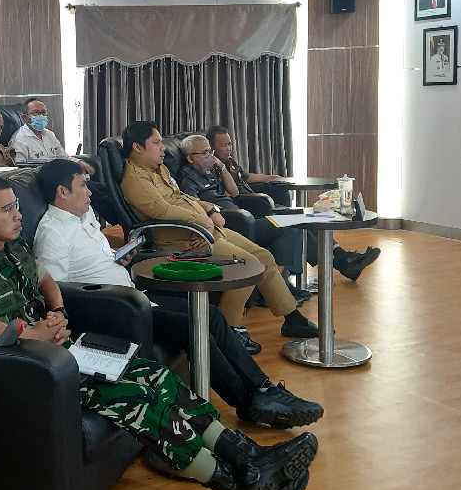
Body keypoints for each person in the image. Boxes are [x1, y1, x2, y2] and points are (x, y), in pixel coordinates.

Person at [0, 174, 317, 490]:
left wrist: (57, 311)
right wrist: (31, 333)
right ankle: (236, 488)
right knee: (138, 397)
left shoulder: (12, 246)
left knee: (158, 377)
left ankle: (246, 457)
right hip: (30, 367)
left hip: (63, 350)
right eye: (7, 209)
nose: (18, 214)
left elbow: (46, 279)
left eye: (16, 205)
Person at [33, 159, 324, 428]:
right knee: (193, 325)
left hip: (133, 296)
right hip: (117, 312)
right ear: (62, 192)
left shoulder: (82, 217)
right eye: (82, 185)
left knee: (211, 315)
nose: (89, 192)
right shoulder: (52, 234)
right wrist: (119, 296)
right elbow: (60, 291)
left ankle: (262, 387)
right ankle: (247, 401)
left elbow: (91, 262)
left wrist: (117, 258)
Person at [120, 121, 319, 352]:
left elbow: (183, 197)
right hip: (184, 242)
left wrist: (210, 209)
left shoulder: (159, 169)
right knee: (247, 265)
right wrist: (202, 221)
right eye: (156, 143)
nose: (162, 148)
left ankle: (292, 318)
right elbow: (162, 211)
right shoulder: (135, 180)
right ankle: (230, 330)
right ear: (137, 147)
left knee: (263, 256)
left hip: (204, 231)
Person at [206, 125, 381, 281]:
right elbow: (229, 194)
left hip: (260, 204)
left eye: (230, 144)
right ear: (211, 148)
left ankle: (342, 258)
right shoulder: (213, 169)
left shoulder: (230, 163)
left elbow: (246, 177)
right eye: (223, 145)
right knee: (299, 223)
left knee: (306, 218)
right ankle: (343, 261)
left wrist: (272, 177)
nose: (228, 148)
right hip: (252, 209)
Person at [176, 134, 308, 303]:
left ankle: (281, 284)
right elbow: (193, 207)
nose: (210, 156)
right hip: (231, 223)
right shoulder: (187, 178)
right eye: (204, 153)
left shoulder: (209, 171)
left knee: (292, 223)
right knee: (287, 227)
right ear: (190, 158)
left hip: (243, 220)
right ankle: (275, 289)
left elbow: (234, 192)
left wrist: (221, 166)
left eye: (210, 152)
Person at [9, 97, 94, 175]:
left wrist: (80, 163)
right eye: (36, 113)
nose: (41, 116)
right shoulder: (19, 140)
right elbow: (19, 170)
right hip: (39, 179)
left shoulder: (49, 135)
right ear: (25, 118)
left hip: (59, 176)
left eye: (43, 112)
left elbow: (64, 157)